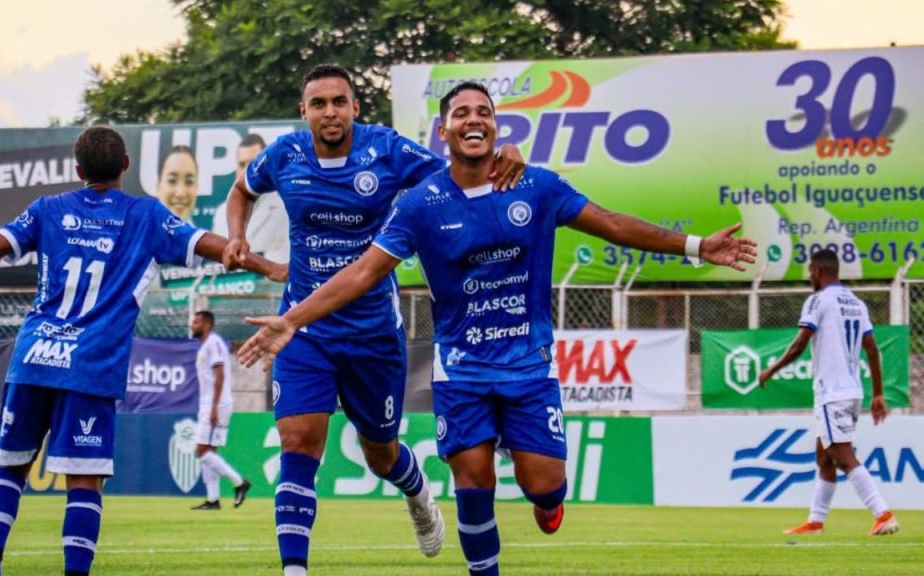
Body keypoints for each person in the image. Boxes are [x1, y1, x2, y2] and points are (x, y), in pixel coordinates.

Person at [237, 82, 758, 575]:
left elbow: (615, 225)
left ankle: (540, 495)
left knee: (544, 487)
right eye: (460, 114)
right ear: (443, 132)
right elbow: (364, 271)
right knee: (469, 477)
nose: (472, 120)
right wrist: (291, 319)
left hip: (526, 368)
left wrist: (695, 247)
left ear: (496, 127)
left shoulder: (537, 186)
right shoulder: (420, 205)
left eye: (482, 113)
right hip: (459, 371)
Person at [220, 65, 526, 576]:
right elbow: (241, 191)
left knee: (380, 456)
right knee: (298, 441)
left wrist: (502, 158)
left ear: (355, 108)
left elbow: (460, 172)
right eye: (319, 104)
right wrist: (237, 236)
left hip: (373, 334)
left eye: (340, 102)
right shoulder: (284, 155)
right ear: (305, 112)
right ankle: (294, 569)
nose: (330, 112)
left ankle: (417, 492)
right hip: (302, 326)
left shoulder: (386, 149)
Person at [0, 126, 283, 576]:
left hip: (34, 358)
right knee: (85, 481)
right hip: (89, 367)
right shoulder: (145, 216)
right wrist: (268, 264)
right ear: (126, 166)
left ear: (77, 170)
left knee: (10, 467)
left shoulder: (48, 209)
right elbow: (216, 247)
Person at [758, 249, 899, 537]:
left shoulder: (818, 300)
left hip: (832, 392)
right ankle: (815, 522)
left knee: (843, 456)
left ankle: (882, 513)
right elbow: (871, 349)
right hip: (852, 390)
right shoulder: (856, 303)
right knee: (824, 457)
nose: (809, 275)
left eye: (810, 270)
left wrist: (770, 370)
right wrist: (878, 394)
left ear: (819, 271)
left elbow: (799, 345)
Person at [189, 310, 252, 510]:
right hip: (210, 403)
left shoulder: (213, 343)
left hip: (216, 404)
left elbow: (220, 375)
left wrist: (214, 407)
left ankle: (239, 482)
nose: (192, 325)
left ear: (207, 324)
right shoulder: (205, 346)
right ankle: (213, 500)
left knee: (200, 451)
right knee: (209, 451)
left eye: (196, 322)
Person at [213, 133, 290, 262]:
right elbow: (215, 262)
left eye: (253, 164)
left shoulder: (286, 209)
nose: (246, 171)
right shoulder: (221, 213)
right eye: (242, 165)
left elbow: (282, 262)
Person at [157, 145, 199, 223]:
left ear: (197, 187)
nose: (180, 193)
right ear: (158, 186)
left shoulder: (206, 235)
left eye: (189, 182)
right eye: (172, 181)